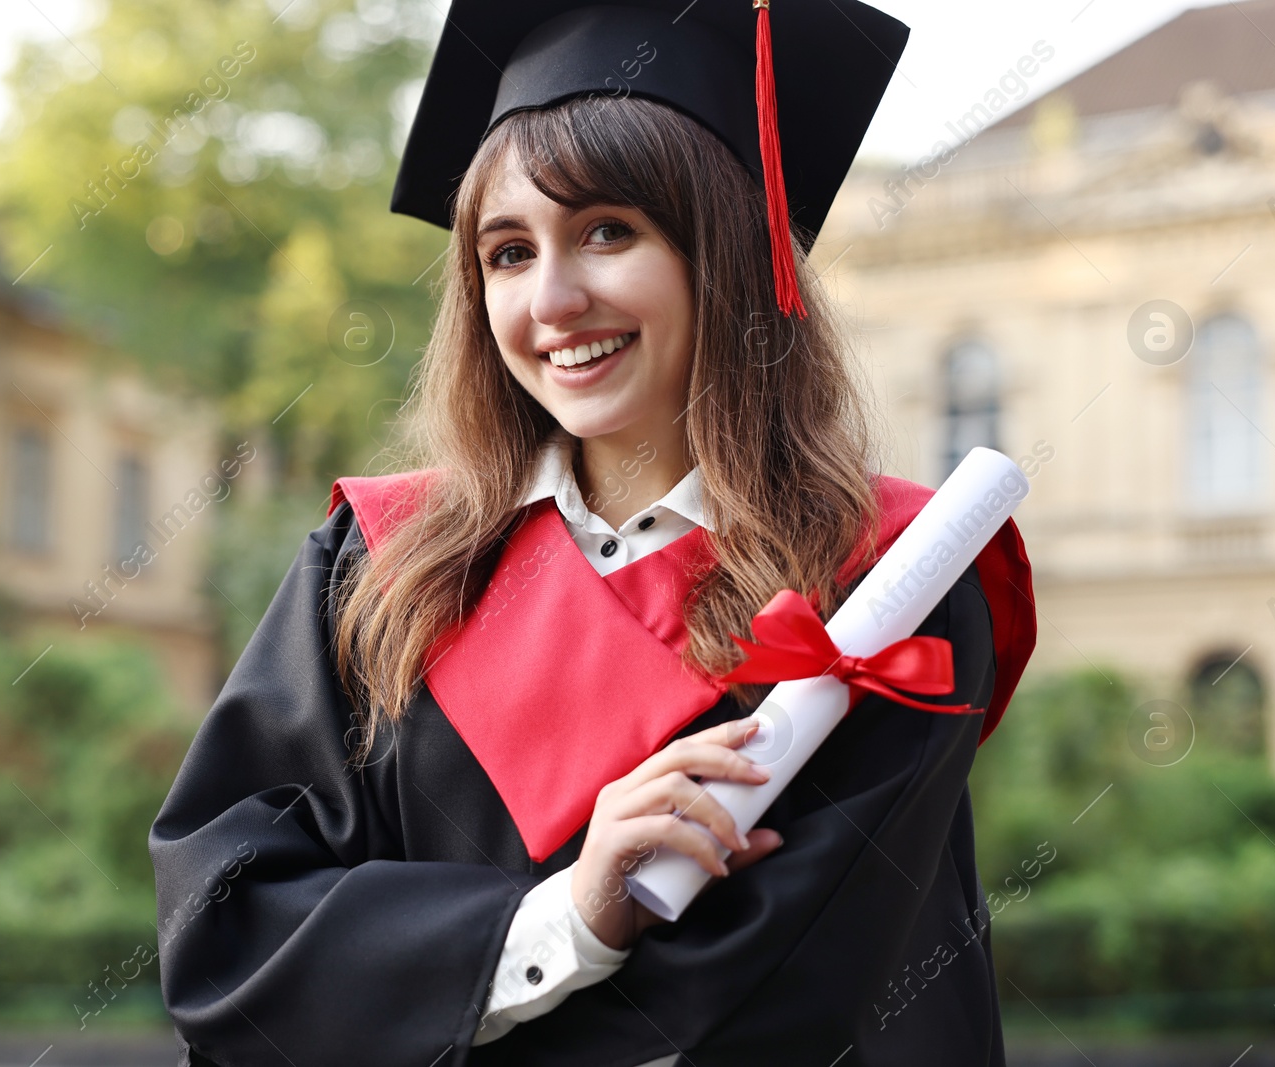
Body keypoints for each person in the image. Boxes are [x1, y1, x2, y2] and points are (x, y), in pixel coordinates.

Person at [150, 1, 1037, 1064]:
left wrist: (425, 989)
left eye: (607, 232)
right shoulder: (378, 565)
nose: (554, 299)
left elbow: (796, 992)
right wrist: (562, 919)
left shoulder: (888, 576)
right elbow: (223, 931)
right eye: (508, 251)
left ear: (731, 253)